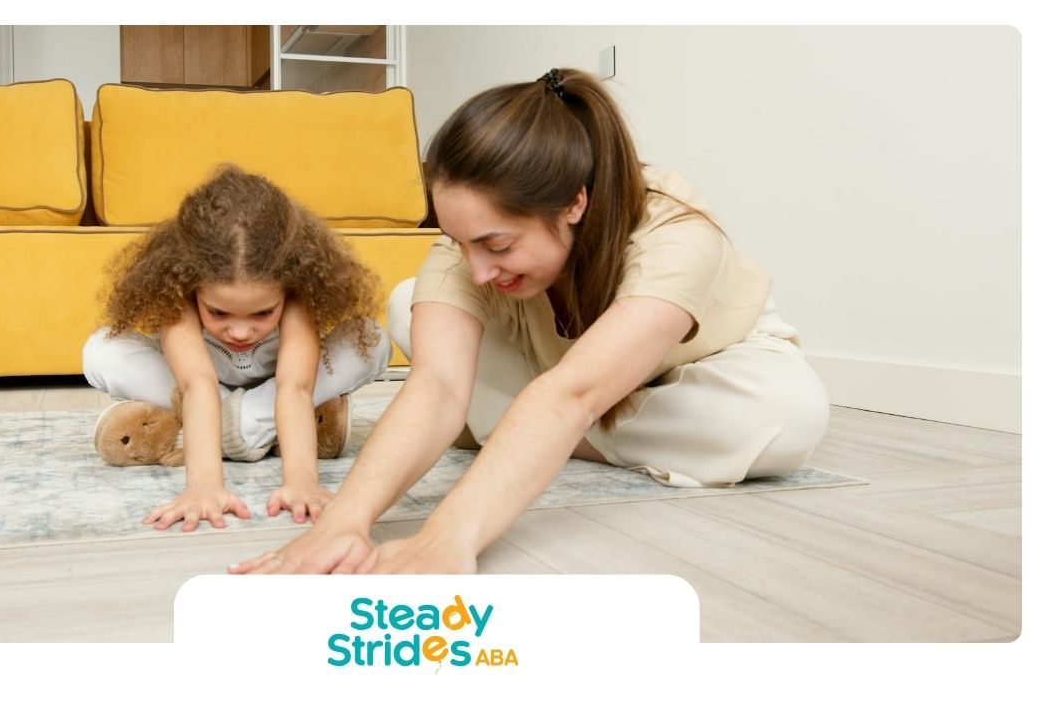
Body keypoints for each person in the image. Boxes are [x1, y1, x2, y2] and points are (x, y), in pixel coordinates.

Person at [229, 68, 829, 574]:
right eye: (459, 241)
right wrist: (343, 522)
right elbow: (436, 385)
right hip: (560, 379)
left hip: (689, 375)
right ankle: (532, 432)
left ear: (574, 202)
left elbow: (572, 393)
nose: (478, 268)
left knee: (788, 415)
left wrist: (450, 537)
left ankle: (524, 429)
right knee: (411, 302)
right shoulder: (469, 246)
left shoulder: (674, 229)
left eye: (498, 244)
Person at [83, 164, 391, 531]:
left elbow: (295, 388)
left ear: (288, 287)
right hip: (200, 387)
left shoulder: (298, 298)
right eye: (218, 312)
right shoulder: (177, 297)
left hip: (277, 388)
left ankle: (211, 425)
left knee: (370, 339)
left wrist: (302, 481)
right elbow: (196, 385)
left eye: (263, 313)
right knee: (100, 350)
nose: (241, 332)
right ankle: (263, 427)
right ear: (191, 284)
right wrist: (204, 486)